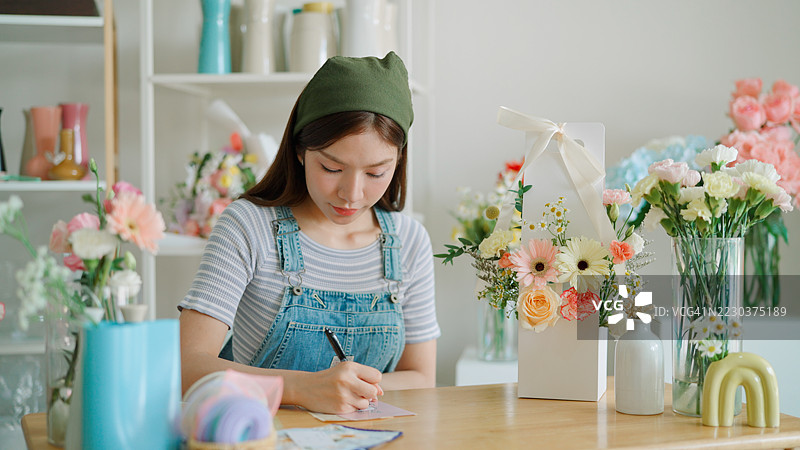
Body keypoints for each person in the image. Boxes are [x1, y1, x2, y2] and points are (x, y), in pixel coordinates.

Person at [178, 52, 440, 414]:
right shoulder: (248, 226)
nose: (352, 193)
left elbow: (422, 377)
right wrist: (303, 388)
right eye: (332, 167)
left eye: (377, 173)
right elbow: (189, 367)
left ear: (398, 162)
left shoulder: (409, 241)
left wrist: (347, 390)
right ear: (300, 149)